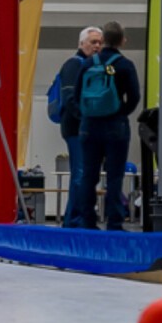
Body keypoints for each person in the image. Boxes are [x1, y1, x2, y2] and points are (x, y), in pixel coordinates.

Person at [76, 21, 140, 230]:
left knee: (89, 174)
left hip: (89, 125)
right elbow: (134, 97)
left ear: (102, 41)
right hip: (115, 126)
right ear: (122, 40)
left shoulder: (87, 63)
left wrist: (89, 113)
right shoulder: (124, 65)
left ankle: (87, 221)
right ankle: (114, 222)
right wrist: (120, 112)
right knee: (114, 176)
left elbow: (77, 95)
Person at [57, 26, 103, 228]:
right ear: (81, 44)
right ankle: (74, 221)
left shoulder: (95, 66)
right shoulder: (73, 65)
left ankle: (76, 218)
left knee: (85, 174)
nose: (97, 46)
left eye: (100, 42)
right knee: (81, 173)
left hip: (89, 129)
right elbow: (69, 99)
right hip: (76, 129)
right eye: (93, 42)